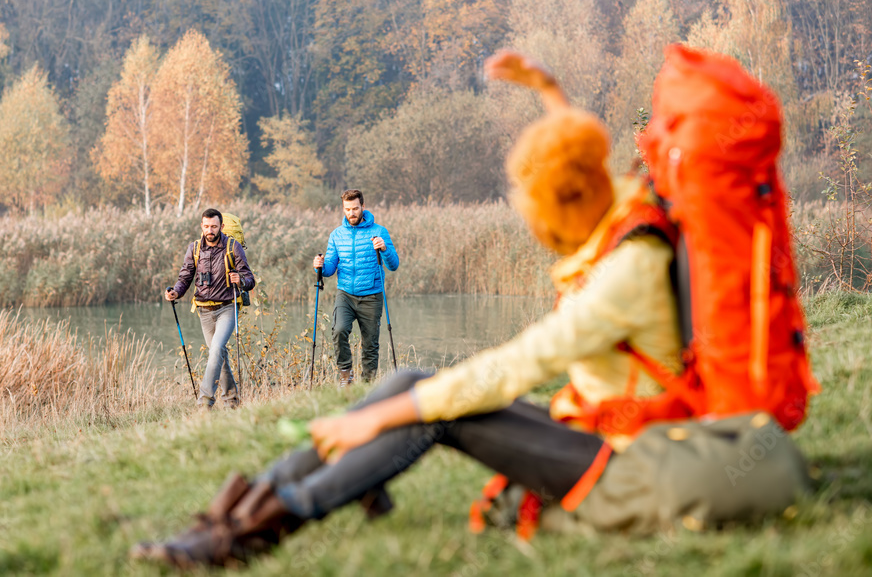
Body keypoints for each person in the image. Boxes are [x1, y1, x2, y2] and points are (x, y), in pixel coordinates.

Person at [131, 51, 810, 569]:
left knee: (429, 406)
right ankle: (242, 509)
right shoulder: (624, 209)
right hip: (602, 434)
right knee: (407, 379)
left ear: (560, 210)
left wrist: (375, 418)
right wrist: (545, 92)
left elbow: (513, 367)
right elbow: (578, 153)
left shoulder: (627, 274)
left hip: (629, 466)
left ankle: (253, 534)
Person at [165, 209, 255, 409]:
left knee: (215, 349)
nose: (210, 230)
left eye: (214, 226)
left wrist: (240, 280)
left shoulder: (233, 247)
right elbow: (185, 277)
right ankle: (232, 402)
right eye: (206, 226)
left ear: (221, 227)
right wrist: (176, 293)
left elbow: (250, 280)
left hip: (227, 308)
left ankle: (204, 403)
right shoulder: (194, 248)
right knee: (219, 356)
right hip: (204, 310)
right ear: (201, 226)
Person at [312, 189, 399, 385]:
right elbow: (329, 269)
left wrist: (384, 249)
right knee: (339, 329)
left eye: (355, 208)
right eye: (347, 209)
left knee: (370, 344)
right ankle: (345, 376)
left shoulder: (379, 232)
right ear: (343, 209)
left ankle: (367, 386)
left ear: (363, 207)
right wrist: (320, 266)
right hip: (346, 295)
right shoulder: (336, 235)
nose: (351, 213)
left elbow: (394, 265)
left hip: (372, 295)